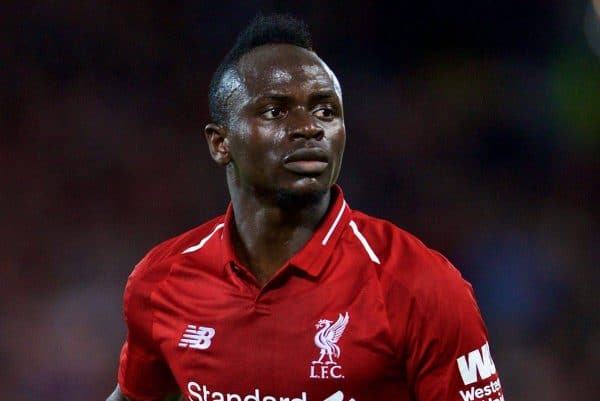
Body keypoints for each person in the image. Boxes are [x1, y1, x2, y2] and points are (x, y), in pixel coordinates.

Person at [107, 14, 504, 401]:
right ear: (219, 143)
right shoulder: (162, 281)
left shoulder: (419, 285)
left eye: (325, 111)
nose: (309, 126)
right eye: (275, 111)